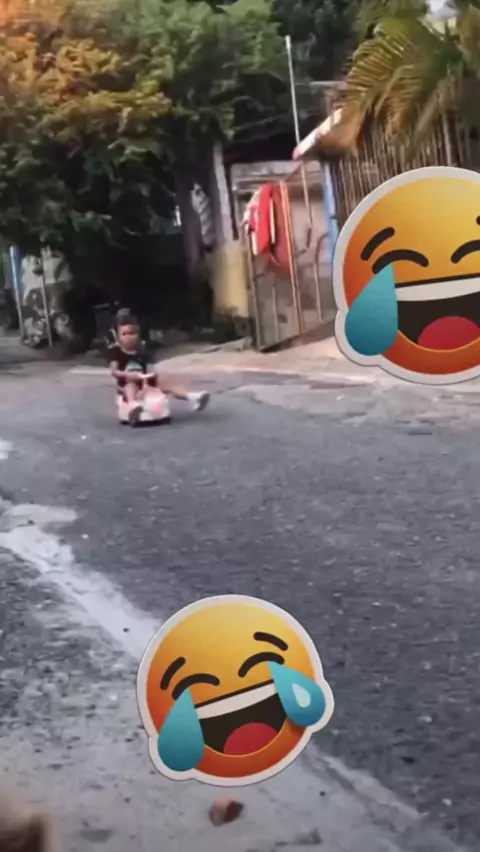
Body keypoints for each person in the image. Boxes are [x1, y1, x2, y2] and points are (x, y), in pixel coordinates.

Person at [108, 311, 209, 423]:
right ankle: (133, 405)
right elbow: (114, 371)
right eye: (124, 334)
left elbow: (150, 368)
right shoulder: (116, 352)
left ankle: (191, 396)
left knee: (165, 381)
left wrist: (149, 380)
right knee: (130, 386)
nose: (129, 337)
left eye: (132, 333)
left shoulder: (143, 352)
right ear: (118, 337)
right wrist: (128, 375)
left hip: (145, 381)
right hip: (126, 384)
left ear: (138, 334)